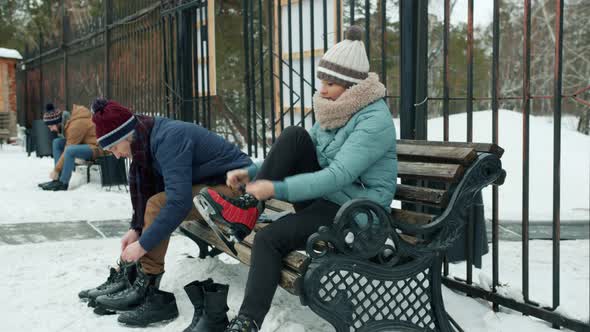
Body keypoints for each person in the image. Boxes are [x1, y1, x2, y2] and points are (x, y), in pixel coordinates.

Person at [195, 26, 398, 332]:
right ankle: (248, 207)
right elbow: (301, 153)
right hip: (330, 200)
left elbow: (338, 175)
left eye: (331, 83)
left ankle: (247, 323)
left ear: (353, 87)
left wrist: (276, 188)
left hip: (357, 214)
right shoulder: (337, 110)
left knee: (268, 238)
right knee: (295, 136)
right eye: (322, 81)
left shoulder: (374, 120)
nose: (323, 89)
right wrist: (251, 174)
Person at [79, 98, 252, 327]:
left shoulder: (168, 138)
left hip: (239, 192)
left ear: (127, 135)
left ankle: (149, 290)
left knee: (159, 205)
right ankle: (137, 280)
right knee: (156, 202)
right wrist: (136, 229)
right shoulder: (145, 140)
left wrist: (142, 246)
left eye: (114, 148)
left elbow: (178, 202)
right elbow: (152, 188)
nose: (117, 156)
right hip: (214, 187)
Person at [39, 104, 102, 191]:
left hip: (95, 148)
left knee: (70, 150)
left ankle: (63, 182)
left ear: (57, 122)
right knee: (57, 142)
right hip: (84, 144)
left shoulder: (76, 125)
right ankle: (57, 179)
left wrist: (56, 170)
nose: (51, 130)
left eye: (51, 126)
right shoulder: (70, 121)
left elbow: (67, 149)